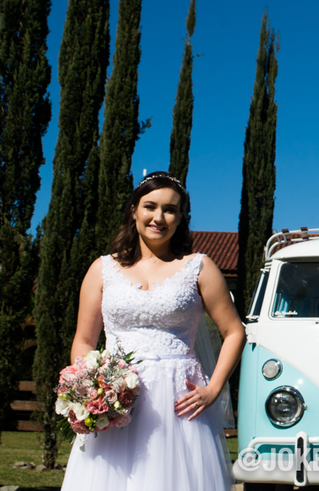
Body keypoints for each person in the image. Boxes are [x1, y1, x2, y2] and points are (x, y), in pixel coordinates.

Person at [61, 171, 245, 491]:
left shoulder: (200, 267)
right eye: (150, 206)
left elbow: (234, 332)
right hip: (116, 401)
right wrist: (90, 388)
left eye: (170, 209)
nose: (159, 217)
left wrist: (214, 389)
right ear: (134, 210)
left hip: (180, 403)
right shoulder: (102, 269)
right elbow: (85, 340)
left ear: (180, 217)